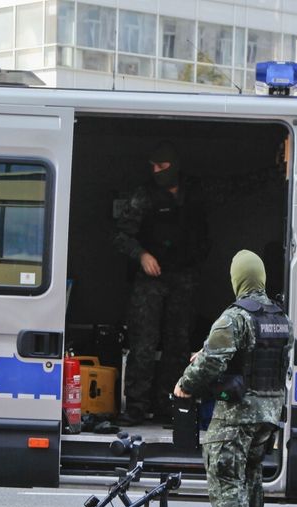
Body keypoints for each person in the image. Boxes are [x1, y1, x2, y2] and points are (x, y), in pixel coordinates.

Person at [113, 139, 287, 426]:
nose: (157, 171)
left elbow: (236, 187)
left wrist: (277, 171)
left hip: (184, 277)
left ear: (174, 166)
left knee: (177, 344)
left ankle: (169, 404)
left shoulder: (196, 191)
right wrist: (141, 254)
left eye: (162, 166)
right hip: (151, 279)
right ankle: (135, 407)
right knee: (143, 343)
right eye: (153, 167)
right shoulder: (143, 197)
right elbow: (120, 235)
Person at [173, 250, 292, 507]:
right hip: (269, 412)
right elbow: (253, 357)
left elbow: (213, 360)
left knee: (224, 474)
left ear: (238, 279)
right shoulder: (280, 318)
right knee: (249, 476)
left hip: (239, 411)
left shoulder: (235, 317)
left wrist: (185, 385)